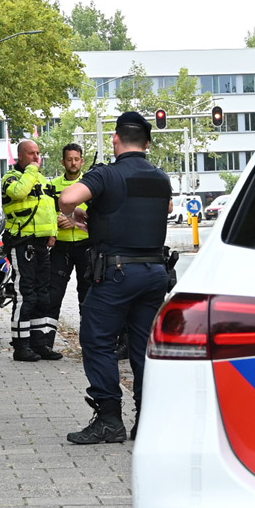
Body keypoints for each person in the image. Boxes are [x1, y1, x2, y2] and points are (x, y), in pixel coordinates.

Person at [57, 111, 173, 445]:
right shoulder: (160, 177)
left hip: (117, 274)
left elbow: (67, 198)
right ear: (148, 143)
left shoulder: (107, 174)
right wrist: (93, 218)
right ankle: (147, 421)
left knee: (97, 340)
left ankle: (109, 420)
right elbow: (162, 210)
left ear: (115, 139)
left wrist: (74, 215)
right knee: (143, 348)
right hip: (154, 273)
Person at [0, 138, 61, 362]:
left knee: (42, 296)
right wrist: (32, 171)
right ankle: (20, 346)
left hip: (42, 245)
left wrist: (53, 233)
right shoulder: (11, 178)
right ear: (20, 156)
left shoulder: (42, 180)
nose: (37, 158)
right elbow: (19, 193)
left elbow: (49, 209)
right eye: (31, 154)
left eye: (38, 153)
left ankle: (39, 344)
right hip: (21, 243)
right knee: (25, 295)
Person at [51, 142, 91, 331]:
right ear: (63, 162)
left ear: (82, 161)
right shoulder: (53, 186)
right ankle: (46, 342)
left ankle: (88, 341)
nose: (73, 163)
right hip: (61, 246)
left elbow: (97, 211)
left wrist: (74, 216)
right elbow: (47, 210)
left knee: (87, 294)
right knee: (54, 293)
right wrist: (57, 219)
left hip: (85, 245)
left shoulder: (91, 183)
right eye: (69, 160)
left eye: (76, 159)